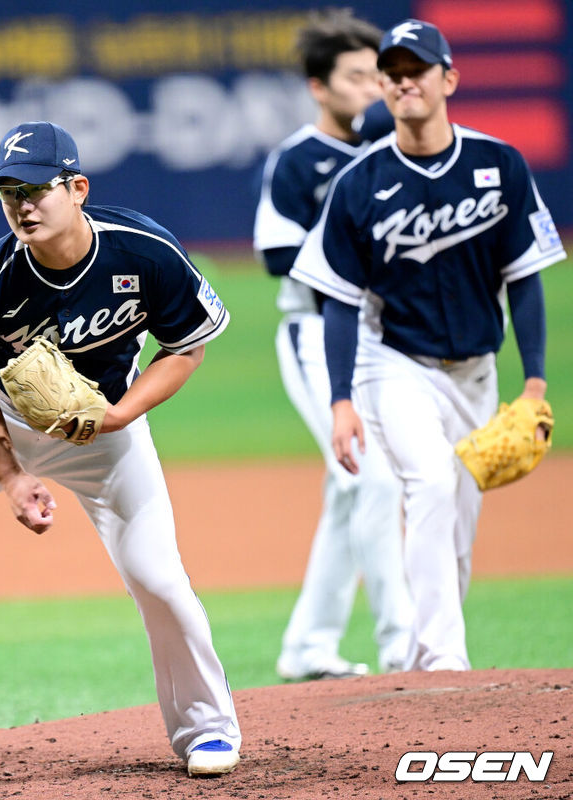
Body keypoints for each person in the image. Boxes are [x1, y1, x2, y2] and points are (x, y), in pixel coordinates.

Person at [0, 121, 241, 776]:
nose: (21, 204)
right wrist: (9, 478)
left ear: (78, 188)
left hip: (104, 433)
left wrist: (119, 416)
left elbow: (187, 346)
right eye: (8, 192)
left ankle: (207, 732)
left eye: (35, 188)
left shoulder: (143, 250)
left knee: (159, 577)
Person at [290, 20, 565, 671]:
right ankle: (445, 660)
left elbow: (524, 280)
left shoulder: (499, 165)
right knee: (433, 486)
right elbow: (338, 301)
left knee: (459, 526)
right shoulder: (359, 185)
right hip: (395, 366)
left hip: (477, 372)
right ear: (382, 87)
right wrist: (340, 400)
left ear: (449, 79)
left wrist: (534, 383)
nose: (404, 81)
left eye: (418, 69)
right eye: (393, 72)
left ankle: (425, 656)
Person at [253, 8, 413, 681]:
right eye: (355, 78)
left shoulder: (401, 152)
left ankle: (308, 647)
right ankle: (406, 646)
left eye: (377, 76)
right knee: (372, 477)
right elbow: (275, 253)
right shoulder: (300, 158)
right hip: (318, 334)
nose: (373, 89)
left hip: (390, 340)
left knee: (351, 492)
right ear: (320, 88)